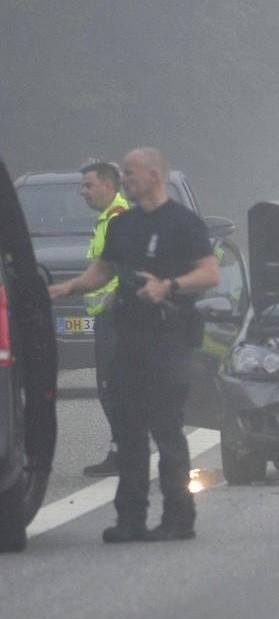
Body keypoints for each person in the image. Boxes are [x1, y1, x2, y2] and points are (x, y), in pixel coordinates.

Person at [67, 149, 218, 542]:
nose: (125, 178)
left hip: (169, 338)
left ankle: (178, 519)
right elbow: (103, 270)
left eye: (130, 173)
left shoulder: (183, 223)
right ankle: (130, 520)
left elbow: (209, 273)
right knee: (129, 430)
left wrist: (169, 286)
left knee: (167, 430)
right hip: (128, 338)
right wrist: (66, 287)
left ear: (153, 175)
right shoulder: (123, 225)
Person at [46, 160, 129, 476]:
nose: (83, 193)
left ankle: (125, 451)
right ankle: (123, 448)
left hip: (116, 318)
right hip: (106, 317)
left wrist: (116, 298)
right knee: (111, 387)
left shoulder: (119, 220)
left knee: (113, 387)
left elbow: (123, 268)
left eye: (88, 185)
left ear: (109, 185)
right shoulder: (108, 219)